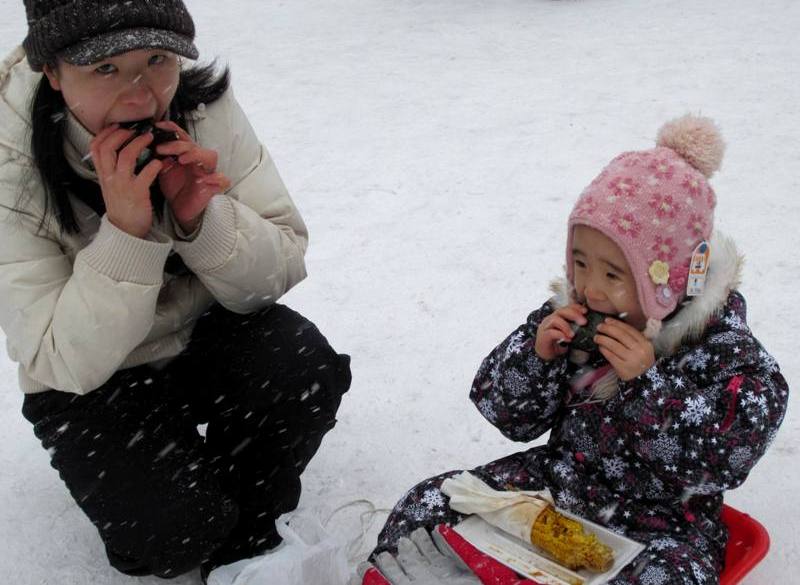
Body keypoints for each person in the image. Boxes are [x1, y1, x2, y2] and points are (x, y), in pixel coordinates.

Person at [0, 0, 351, 579]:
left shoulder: (199, 106)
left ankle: (247, 530)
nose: (140, 97)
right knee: (173, 533)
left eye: (157, 60)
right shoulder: (11, 164)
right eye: (104, 69)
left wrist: (202, 217)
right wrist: (126, 233)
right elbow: (63, 362)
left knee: (302, 369)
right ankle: (176, 511)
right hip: (92, 383)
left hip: (200, 337)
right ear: (54, 72)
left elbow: (283, 263)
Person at [372, 115, 788, 584]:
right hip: (555, 486)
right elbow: (508, 415)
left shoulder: (722, 350)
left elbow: (727, 456)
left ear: (671, 276)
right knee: (427, 504)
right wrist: (537, 356)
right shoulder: (570, 316)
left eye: (613, 274)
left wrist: (649, 386)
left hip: (664, 524)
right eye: (579, 262)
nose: (589, 288)